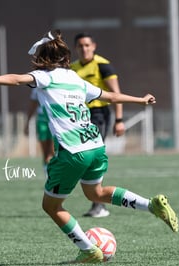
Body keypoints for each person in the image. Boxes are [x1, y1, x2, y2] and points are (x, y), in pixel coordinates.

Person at [0, 29, 178, 264]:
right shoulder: (76, 79)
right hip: (95, 145)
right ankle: (152, 205)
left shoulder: (46, 76)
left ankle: (88, 249)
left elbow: (16, 79)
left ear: (42, 60)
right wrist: (141, 100)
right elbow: (110, 97)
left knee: (51, 206)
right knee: (95, 193)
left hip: (72, 151)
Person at [70, 33, 125, 218]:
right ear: (76, 48)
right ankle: (97, 202)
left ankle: (99, 205)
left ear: (93, 46)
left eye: (87, 45)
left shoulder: (103, 65)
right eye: (80, 46)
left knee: (92, 157)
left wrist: (119, 120)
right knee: (82, 158)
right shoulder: (72, 68)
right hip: (79, 118)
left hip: (99, 115)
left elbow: (115, 93)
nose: (84, 49)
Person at [24, 88, 54, 175]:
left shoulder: (57, 82)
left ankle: (53, 176)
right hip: (42, 120)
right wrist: (27, 123)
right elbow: (32, 105)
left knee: (52, 151)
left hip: (54, 120)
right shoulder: (37, 87)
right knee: (45, 154)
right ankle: (47, 174)